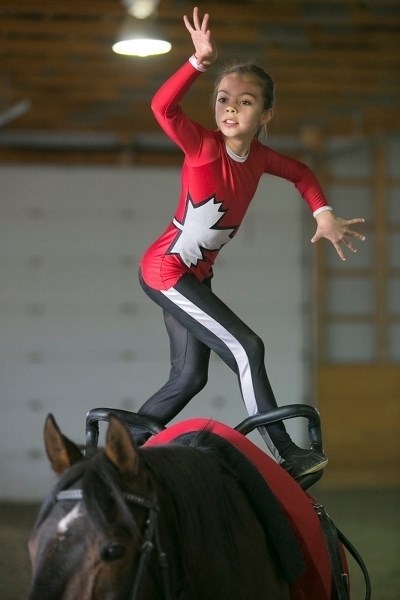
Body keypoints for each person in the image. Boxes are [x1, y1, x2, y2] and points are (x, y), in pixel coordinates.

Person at [136, 7, 365, 480]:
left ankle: (129, 445)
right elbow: (162, 108)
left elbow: (301, 173)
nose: (230, 109)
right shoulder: (202, 147)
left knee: (189, 377)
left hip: (195, 274)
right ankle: (285, 452)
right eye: (222, 100)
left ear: (265, 114)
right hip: (167, 270)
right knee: (247, 347)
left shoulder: (259, 158)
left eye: (245, 101)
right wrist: (198, 63)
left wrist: (323, 213)